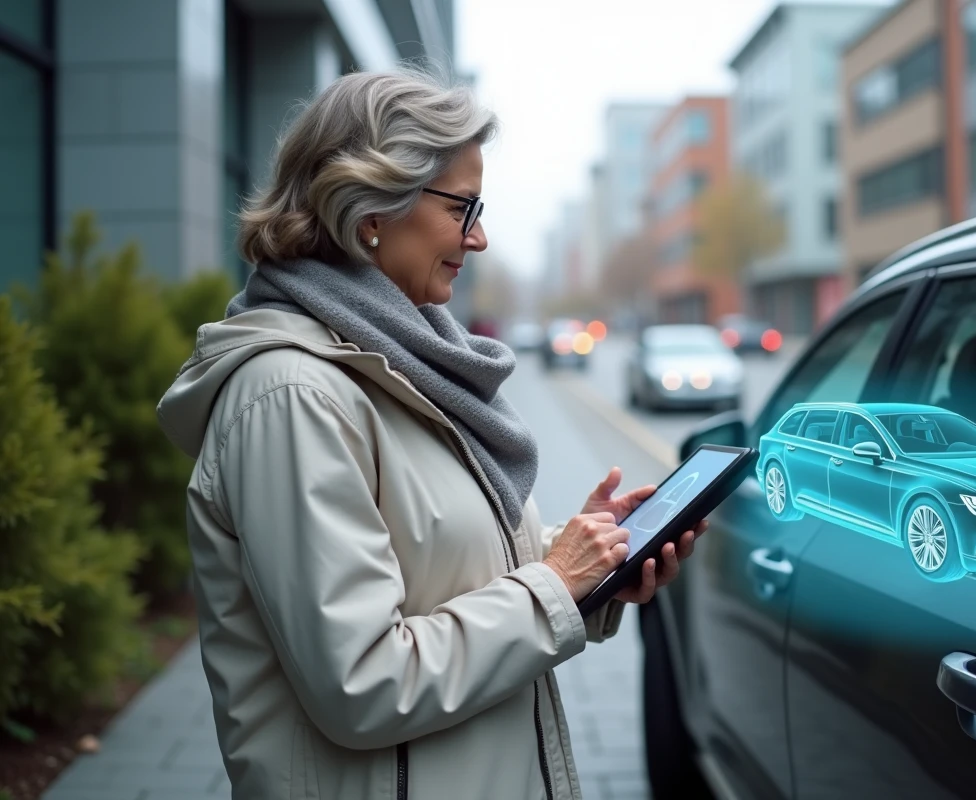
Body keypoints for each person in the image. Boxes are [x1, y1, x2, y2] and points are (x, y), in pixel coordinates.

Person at [156, 66, 705, 800]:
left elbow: (435, 574)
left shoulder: (404, 362)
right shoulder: (292, 395)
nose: (478, 238)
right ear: (370, 208)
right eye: (463, 207)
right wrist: (554, 585)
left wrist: (589, 566)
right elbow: (363, 681)